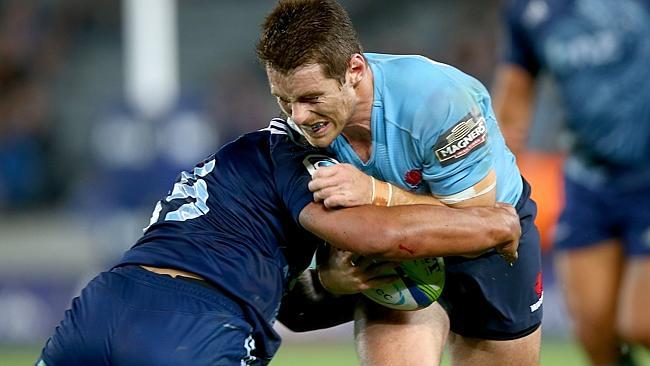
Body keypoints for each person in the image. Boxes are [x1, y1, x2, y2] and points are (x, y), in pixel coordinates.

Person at [36, 117, 521, 366]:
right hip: (197, 323)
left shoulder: (235, 161)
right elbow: (380, 235)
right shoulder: (301, 155)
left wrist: (328, 282)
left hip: (104, 303)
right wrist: (491, 223)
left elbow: (287, 301)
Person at [255, 1, 543, 365]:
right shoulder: (293, 137)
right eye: (284, 100)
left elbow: (480, 222)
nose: (298, 116)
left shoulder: (436, 100)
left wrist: (376, 192)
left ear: (354, 70)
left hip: (488, 246)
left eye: (312, 98)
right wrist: (327, 278)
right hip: (392, 260)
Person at [491, 0, 650, 365]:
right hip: (588, 181)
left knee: (641, 323)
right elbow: (514, 95)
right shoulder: (527, 12)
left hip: (647, 177)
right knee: (595, 333)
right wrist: (493, 168)